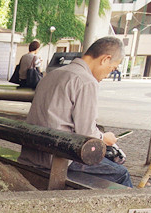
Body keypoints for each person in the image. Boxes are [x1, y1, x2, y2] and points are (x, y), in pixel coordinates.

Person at [18, 37, 132, 187]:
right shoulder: (86, 81)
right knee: (121, 174)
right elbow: (86, 133)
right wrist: (104, 138)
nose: (108, 75)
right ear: (105, 59)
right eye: (112, 68)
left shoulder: (53, 75)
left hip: (32, 153)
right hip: (58, 158)